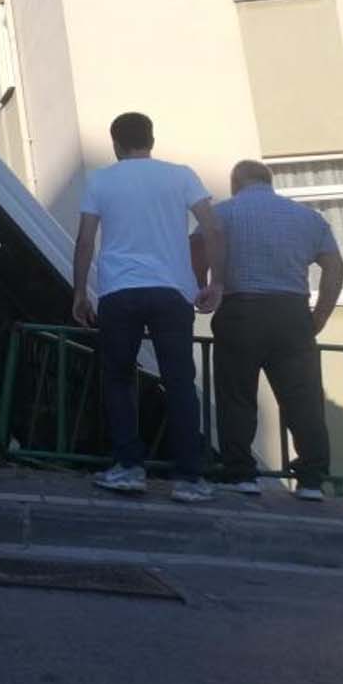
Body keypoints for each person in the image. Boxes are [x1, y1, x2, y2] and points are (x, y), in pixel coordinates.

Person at [72, 112, 226, 502]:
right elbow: (212, 228)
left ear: (115, 144)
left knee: (119, 378)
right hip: (172, 292)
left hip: (119, 292)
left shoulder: (101, 179)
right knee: (178, 382)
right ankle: (190, 478)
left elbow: (86, 241)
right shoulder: (182, 175)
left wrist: (79, 293)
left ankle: (129, 468)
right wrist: (215, 283)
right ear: (151, 139)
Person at [201, 160, 343, 501]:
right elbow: (335, 266)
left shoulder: (223, 213)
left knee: (236, 395)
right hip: (292, 313)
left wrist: (207, 285)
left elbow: (196, 246)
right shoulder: (308, 218)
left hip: (241, 310)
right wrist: (319, 315)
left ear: (236, 183)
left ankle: (241, 474)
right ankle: (311, 479)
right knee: (303, 397)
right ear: (270, 181)